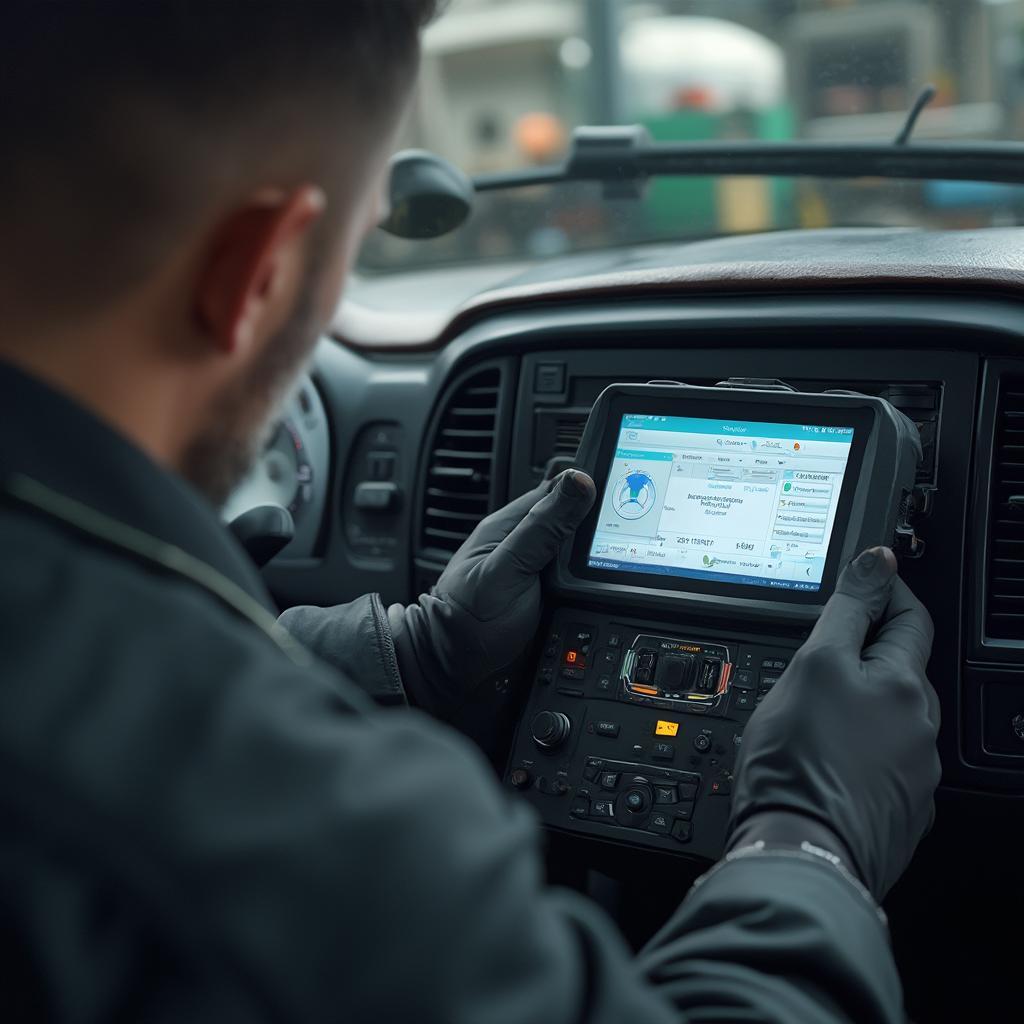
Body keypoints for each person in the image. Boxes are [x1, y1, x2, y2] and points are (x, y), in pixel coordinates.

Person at [0, 3, 940, 1021]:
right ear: (256, 272)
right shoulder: (293, 835)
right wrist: (807, 837)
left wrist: (416, 655)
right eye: (352, 252)